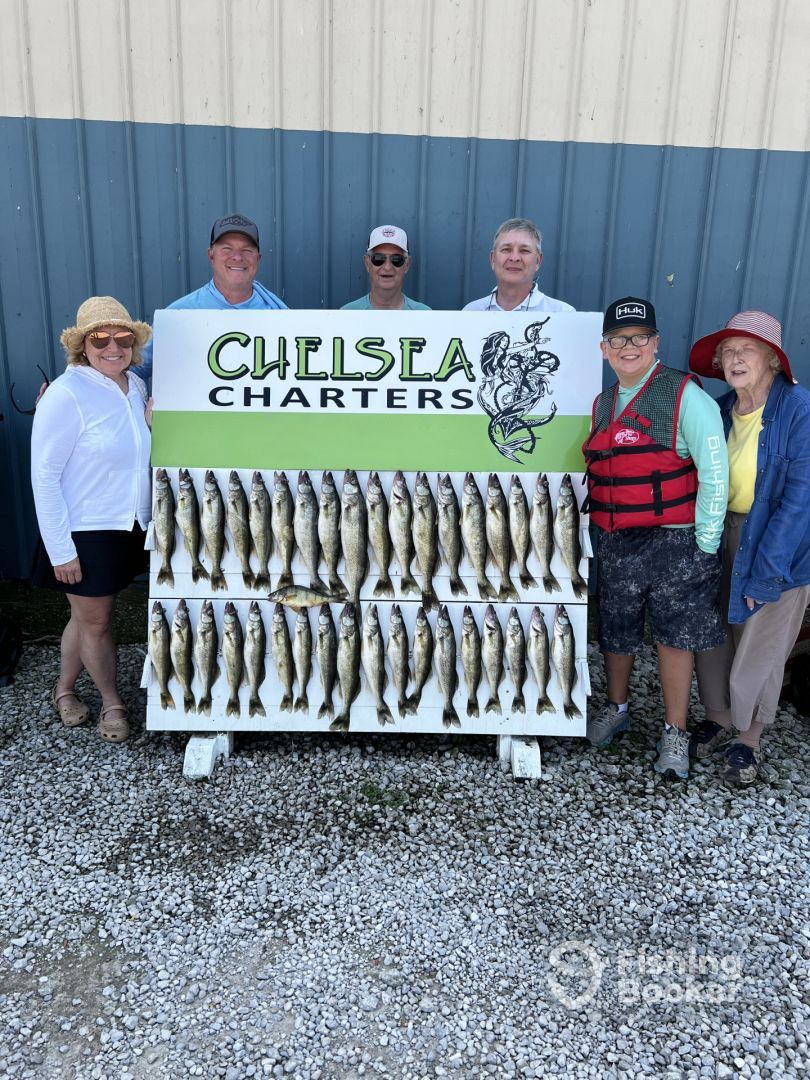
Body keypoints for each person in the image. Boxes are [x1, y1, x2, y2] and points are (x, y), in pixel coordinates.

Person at [583, 296, 728, 779]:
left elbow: (715, 474)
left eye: (640, 337)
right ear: (604, 348)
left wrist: (705, 545)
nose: (630, 347)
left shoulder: (687, 396)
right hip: (618, 539)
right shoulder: (603, 403)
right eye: (619, 339)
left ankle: (675, 731)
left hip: (677, 541)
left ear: (655, 343)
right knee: (617, 629)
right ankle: (617, 709)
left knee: (674, 637)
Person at [688, 312, 810, 786]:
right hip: (720, 531)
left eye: (748, 350)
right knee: (715, 630)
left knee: (760, 638)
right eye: (728, 351)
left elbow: (799, 501)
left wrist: (767, 571)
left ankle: (749, 739)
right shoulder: (719, 409)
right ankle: (718, 717)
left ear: (773, 361)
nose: (735, 359)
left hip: (776, 539)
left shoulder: (799, 410)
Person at [31, 297, 153, 743]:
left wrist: (151, 425)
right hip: (85, 530)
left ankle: (64, 689)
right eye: (100, 339)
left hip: (130, 524)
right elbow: (44, 475)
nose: (112, 347)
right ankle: (111, 702)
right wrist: (61, 550)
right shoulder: (65, 394)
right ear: (82, 345)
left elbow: (131, 447)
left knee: (84, 617)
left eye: (122, 338)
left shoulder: (134, 385)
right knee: (97, 622)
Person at [138, 213, 286, 382]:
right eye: (227, 249)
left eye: (247, 250)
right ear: (211, 256)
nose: (237, 257)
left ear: (258, 259)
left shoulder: (280, 316)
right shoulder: (178, 315)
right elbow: (135, 369)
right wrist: (140, 398)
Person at [462, 218, 574, 313]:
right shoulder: (470, 313)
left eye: (524, 250)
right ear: (493, 259)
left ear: (538, 261)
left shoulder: (563, 314)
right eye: (506, 249)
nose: (514, 258)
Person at [341, 226, 430, 311]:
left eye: (396, 259)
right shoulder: (346, 315)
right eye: (378, 258)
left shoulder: (426, 316)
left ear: (407, 265)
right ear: (367, 263)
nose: (387, 267)